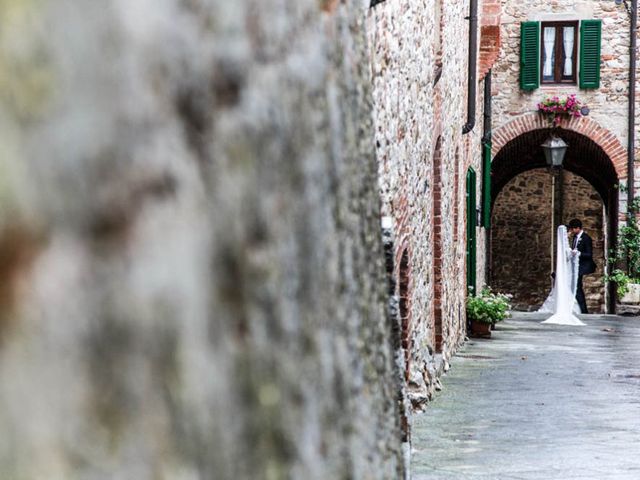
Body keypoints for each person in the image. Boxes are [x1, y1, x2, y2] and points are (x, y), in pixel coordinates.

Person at [540, 225, 585, 325]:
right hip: (565, 271)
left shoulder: (562, 244)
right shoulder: (564, 244)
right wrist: (574, 253)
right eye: (568, 232)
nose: (570, 233)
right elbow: (567, 256)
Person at [567, 218, 596, 314]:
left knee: (578, 287)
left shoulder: (586, 238)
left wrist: (578, 253)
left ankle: (583, 310)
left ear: (578, 228)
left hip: (583, 266)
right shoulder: (575, 238)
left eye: (572, 229)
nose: (571, 231)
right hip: (576, 266)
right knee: (576, 287)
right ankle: (580, 309)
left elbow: (589, 254)